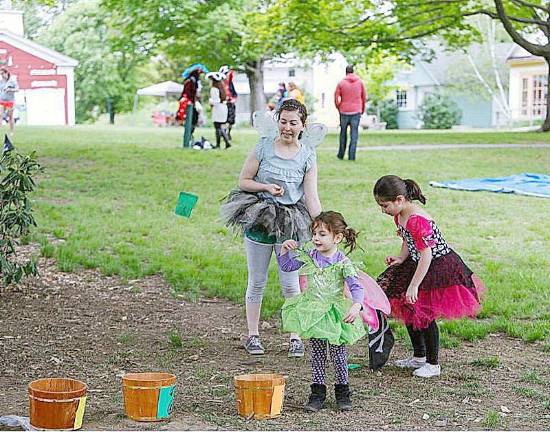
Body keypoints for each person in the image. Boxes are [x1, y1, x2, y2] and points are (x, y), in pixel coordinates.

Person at [221, 99, 323, 357]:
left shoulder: (307, 154)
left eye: (293, 123)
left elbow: (311, 196)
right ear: (277, 120)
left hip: (291, 221)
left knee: (291, 283)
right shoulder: (264, 146)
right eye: (283, 121)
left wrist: (322, 225)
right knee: (257, 280)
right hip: (260, 215)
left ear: (303, 125)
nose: (287, 127)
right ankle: (253, 335)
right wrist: (265, 187)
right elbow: (243, 181)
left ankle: (295, 336)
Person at [373, 175, 485, 378]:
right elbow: (408, 239)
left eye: (385, 205)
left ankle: (433, 364)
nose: (383, 210)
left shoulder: (417, 220)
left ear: (399, 199)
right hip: (417, 262)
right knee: (407, 306)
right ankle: (419, 356)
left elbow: (427, 253)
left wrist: (414, 285)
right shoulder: (400, 215)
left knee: (424, 312)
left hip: (436, 265)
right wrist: (401, 258)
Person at [278, 211, 366, 412]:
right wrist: (284, 249)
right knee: (317, 354)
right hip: (314, 313)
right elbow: (287, 266)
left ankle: (342, 393)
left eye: (322, 234)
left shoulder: (343, 263)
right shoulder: (310, 255)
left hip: (335, 315)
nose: (316, 238)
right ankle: (317, 393)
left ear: (337, 238)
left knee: (338, 355)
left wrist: (356, 305)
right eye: (314, 233)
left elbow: (356, 287)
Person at [334, 65, 366, 161]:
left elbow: (336, 98)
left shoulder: (341, 83)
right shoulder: (360, 83)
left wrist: (339, 107)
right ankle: (352, 156)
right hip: (356, 111)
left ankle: (341, 155)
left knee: (343, 133)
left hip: (344, 111)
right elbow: (363, 97)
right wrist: (362, 109)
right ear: (353, 71)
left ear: (346, 72)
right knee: (354, 134)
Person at [177, 69, 201, 148]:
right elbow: (188, 93)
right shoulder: (190, 81)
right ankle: (188, 137)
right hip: (189, 103)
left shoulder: (193, 82)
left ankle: (189, 136)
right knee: (190, 120)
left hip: (191, 102)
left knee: (193, 121)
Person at [207, 71, 231, 149]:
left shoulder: (214, 89)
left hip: (218, 109)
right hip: (223, 108)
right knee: (220, 126)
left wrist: (210, 101)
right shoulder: (222, 88)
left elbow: (216, 101)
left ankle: (219, 144)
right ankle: (226, 142)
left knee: (217, 126)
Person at [220, 65, 238, 140]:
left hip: (231, 103)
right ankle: (223, 133)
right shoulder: (220, 84)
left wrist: (234, 99)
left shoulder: (230, 83)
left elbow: (234, 93)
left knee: (231, 120)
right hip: (224, 103)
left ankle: (228, 133)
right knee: (224, 120)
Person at [0, 67, 18, 136]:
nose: (1, 75)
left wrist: (10, 89)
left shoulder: (12, 81)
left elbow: (17, 89)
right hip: (1, 100)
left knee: (10, 116)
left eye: (2, 74)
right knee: (0, 115)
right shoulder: (1, 82)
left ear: (6, 73)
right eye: (0, 74)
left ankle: (11, 131)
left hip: (10, 101)